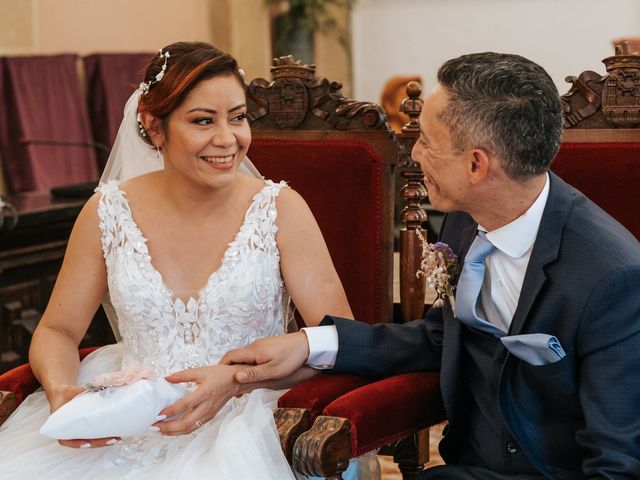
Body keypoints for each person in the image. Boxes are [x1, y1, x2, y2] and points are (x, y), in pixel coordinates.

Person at [222, 52, 640, 479]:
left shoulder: (612, 277)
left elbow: (617, 465)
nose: (414, 154)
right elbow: (441, 338)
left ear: (477, 164)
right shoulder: (464, 218)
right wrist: (312, 345)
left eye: (425, 141)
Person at [0, 42, 355, 479]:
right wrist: (61, 392)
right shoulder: (108, 211)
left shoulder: (280, 208)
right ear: (153, 126)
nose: (228, 139)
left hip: (249, 420)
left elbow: (337, 341)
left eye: (238, 117)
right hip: (130, 418)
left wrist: (243, 381)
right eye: (203, 121)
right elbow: (57, 328)